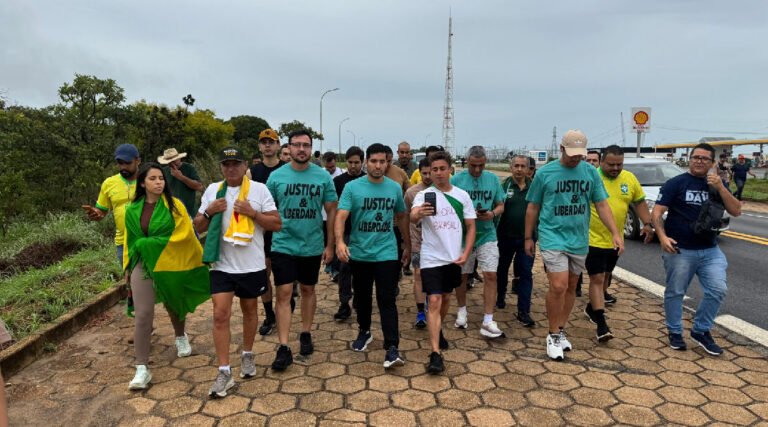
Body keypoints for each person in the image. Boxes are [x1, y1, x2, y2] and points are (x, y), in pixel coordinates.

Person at [525, 130, 624, 361]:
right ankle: (552, 334)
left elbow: (601, 205)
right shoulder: (546, 173)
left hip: (578, 239)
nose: (576, 158)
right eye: (572, 154)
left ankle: (560, 328)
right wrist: (528, 237)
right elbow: (533, 206)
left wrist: (615, 233)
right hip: (552, 236)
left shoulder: (589, 172)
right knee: (558, 285)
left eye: (580, 154)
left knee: (571, 285)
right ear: (561, 149)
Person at [195, 146, 282, 397]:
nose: (231, 168)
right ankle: (224, 371)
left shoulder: (259, 190)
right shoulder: (213, 190)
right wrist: (210, 211)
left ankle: (247, 353)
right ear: (221, 167)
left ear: (245, 166)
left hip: (251, 264)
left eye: (236, 164)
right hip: (221, 264)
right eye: (226, 164)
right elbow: (198, 225)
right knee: (220, 315)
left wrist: (253, 213)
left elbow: (276, 223)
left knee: (250, 310)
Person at [124, 163, 210, 390]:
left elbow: (184, 235)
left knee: (173, 301)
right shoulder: (132, 210)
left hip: (171, 261)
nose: (158, 182)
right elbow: (131, 242)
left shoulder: (175, 206)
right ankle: (141, 368)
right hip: (143, 263)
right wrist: (128, 267)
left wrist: (148, 244)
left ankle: (180, 336)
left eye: (161, 178)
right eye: (152, 179)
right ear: (142, 183)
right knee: (143, 314)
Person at [652, 143, 741, 356]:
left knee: (717, 290)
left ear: (712, 163)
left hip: (710, 249)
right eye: (696, 157)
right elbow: (657, 213)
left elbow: (736, 210)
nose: (699, 161)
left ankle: (701, 330)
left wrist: (721, 187)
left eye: (704, 158)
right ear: (690, 159)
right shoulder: (676, 183)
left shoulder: (717, 184)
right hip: (680, 249)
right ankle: (675, 332)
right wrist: (662, 237)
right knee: (676, 292)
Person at [266, 130, 337, 371]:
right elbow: (267, 209)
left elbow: (332, 210)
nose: (301, 149)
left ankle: (306, 332)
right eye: (297, 145)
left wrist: (330, 244)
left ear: (311, 148)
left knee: (308, 289)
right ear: (288, 147)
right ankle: (283, 346)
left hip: (311, 243)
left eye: (306, 145)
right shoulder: (276, 177)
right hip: (283, 243)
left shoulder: (322, 177)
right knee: (284, 292)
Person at [336, 143, 410, 369]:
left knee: (387, 298)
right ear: (366, 163)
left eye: (382, 162)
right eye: (374, 161)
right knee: (362, 297)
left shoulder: (394, 188)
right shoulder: (352, 187)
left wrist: (407, 244)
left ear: (388, 163)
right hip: (360, 252)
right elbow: (341, 215)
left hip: (387, 251)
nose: (378, 166)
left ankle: (392, 346)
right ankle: (364, 330)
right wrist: (339, 242)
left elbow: (401, 215)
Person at [411, 151, 476, 373]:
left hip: (453, 257)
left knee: (446, 298)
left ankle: (437, 328)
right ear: (429, 172)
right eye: (434, 170)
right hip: (431, 257)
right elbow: (412, 216)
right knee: (434, 300)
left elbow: (471, 227)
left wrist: (466, 252)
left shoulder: (462, 196)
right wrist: (419, 213)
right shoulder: (424, 195)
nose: (438, 173)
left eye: (442, 169)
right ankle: (435, 353)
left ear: (450, 170)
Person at [585, 145, 653, 342]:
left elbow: (639, 202)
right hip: (592, 238)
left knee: (606, 277)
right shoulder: (591, 177)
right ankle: (601, 324)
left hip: (616, 241)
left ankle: (591, 307)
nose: (615, 168)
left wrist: (647, 224)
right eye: (611, 164)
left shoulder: (629, 178)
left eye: (619, 164)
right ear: (601, 162)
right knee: (597, 278)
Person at [451, 146, 506, 338]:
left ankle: (488, 319)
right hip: (463, 236)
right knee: (462, 275)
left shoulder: (492, 179)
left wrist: (492, 214)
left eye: (481, 165)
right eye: (473, 165)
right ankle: (461, 310)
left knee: (490, 275)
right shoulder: (456, 180)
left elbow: (500, 204)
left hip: (487, 234)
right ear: (466, 162)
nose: (477, 169)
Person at [243, 129, 287, 337]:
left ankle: (286, 306)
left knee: (284, 275)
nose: (268, 145)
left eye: (271, 142)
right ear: (259, 146)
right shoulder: (252, 173)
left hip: (284, 228)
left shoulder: (287, 170)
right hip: (261, 229)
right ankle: (270, 314)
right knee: (264, 274)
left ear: (278, 145)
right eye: (264, 142)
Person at [84, 144, 141, 265]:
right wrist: (95, 214)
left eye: (128, 163)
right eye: (120, 163)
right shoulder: (109, 183)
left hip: (147, 240)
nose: (123, 167)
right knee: (128, 275)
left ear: (138, 161)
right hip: (122, 242)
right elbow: (102, 210)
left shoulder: (148, 180)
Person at [496, 155, 535, 327]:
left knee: (525, 273)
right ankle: (500, 296)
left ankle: (523, 311)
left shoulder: (535, 187)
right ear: (511, 168)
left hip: (527, 239)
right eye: (516, 166)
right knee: (501, 269)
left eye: (523, 166)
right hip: (504, 237)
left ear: (528, 169)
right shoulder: (504, 186)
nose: (519, 169)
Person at [332, 146, 366, 321]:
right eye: (350, 162)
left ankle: (360, 298)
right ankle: (344, 303)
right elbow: (334, 209)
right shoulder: (338, 181)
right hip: (345, 231)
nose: (353, 166)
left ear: (362, 162)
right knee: (344, 269)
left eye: (356, 162)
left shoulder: (367, 180)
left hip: (363, 232)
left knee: (361, 269)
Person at [404, 159, 432, 328]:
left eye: (430, 172)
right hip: (417, 241)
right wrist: (406, 244)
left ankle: (432, 304)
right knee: (419, 275)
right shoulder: (411, 193)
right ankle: (421, 311)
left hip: (437, 243)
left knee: (434, 277)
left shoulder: (444, 191)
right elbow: (406, 216)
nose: (428, 176)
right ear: (419, 173)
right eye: (424, 173)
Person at [157, 148, 203, 218]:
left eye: (174, 161)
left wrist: (181, 177)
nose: (172, 164)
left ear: (179, 158)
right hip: (171, 213)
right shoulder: (164, 171)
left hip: (189, 212)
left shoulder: (189, 168)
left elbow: (199, 187)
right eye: (169, 162)